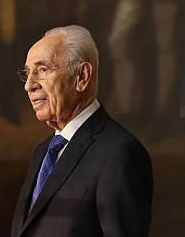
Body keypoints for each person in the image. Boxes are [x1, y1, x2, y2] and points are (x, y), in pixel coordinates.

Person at [11, 25, 153, 237]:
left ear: (82, 76)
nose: (29, 85)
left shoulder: (119, 153)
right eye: (28, 73)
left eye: (42, 70)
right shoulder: (42, 152)